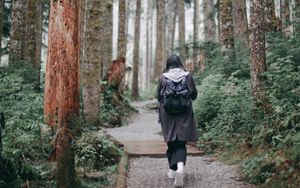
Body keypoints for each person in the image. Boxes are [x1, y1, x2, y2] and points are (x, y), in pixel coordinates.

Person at [157, 54, 198, 187]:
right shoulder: (187, 76)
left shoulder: (163, 77)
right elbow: (194, 95)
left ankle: (172, 170)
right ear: (180, 63)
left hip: (167, 114)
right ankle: (179, 167)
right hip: (184, 113)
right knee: (181, 142)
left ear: (168, 64)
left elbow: (159, 97)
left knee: (171, 140)